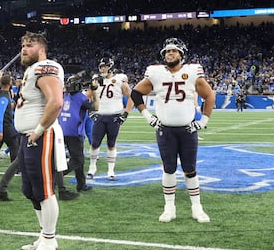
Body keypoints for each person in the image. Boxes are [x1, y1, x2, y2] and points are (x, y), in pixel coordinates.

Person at [130, 37, 216, 223]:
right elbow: (135, 93)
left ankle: (197, 208)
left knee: (190, 170)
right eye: (167, 51)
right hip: (165, 130)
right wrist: (148, 116)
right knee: (168, 170)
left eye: (174, 51)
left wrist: (204, 121)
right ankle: (169, 208)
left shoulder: (192, 71)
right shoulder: (156, 72)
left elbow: (209, 95)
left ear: (181, 54)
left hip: (187, 129)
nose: (170, 53)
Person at [14, 31, 65, 250]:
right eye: (23, 45)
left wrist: (39, 130)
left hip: (41, 136)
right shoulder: (31, 69)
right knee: (30, 190)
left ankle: (48, 246)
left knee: (44, 191)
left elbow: (56, 101)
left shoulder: (46, 67)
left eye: (29, 45)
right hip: (29, 136)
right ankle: (46, 238)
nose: (24, 49)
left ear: (41, 49)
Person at [88, 57, 132, 180]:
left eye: (105, 66)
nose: (103, 68)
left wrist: (125, 113)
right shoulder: (96, 79)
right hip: (100, 116)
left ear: (111, 67)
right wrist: (90, 110)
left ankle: (111, 171)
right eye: (101, 66)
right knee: (95, 143)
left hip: (114, 116)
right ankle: (92, 168)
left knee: (111, 144)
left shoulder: (119, 79)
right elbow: (88, 96)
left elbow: (132, 96)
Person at [59, 73, 99, 192]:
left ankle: (81, 185)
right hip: (74, 133)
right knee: (77, 160)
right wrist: (95, 91)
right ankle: (56, 178)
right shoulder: (81, 98)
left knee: (77, 159)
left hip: (63, 130)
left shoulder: (65, 96)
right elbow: (96, 107)